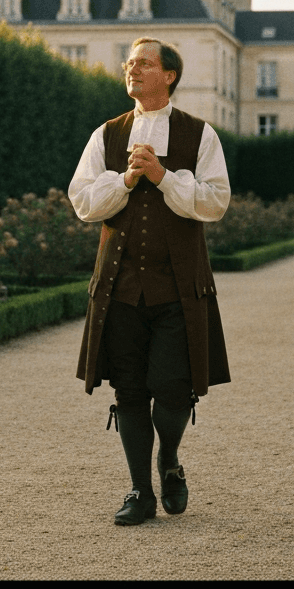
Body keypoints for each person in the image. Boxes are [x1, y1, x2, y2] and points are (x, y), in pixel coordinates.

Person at [68, 37, 232, 526]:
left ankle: (170, 460)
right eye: (129, 63)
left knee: (173, 388)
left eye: (144, 63)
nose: (132, 69)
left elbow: (215, 202)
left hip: (178, 287)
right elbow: (83, 201)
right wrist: (124, 181)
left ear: (170, 75)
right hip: (119, 287)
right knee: (131, 392)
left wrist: (162, 176)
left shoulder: (201, 135)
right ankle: (140, 490)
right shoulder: (106, 134)